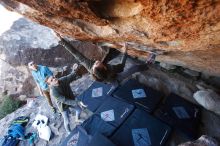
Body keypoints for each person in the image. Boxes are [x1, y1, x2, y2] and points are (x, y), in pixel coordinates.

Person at [56, 33, 152, 85]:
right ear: (104, 67)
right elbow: (122, 67)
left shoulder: (90, 66)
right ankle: (149, 64)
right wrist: (125, 51)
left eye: (94, 65)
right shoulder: (111, 71)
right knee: (134, 68)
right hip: (115, 80)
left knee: (107, 59)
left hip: (104, 75)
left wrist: (62, 41)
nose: (96, 62)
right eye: (97, 64)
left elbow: (76, 54)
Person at [45, 64, 85, 134]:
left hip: (70, 99)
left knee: (79, 110)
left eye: (53, 77)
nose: (54, 79)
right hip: (63, 106)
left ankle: (77, 118)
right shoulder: (53, 92)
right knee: (67, 120)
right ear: (50, 84)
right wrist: (77, 102)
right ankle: (68, 131)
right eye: (52, 80)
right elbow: (64, 100)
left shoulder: (62, 80)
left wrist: (75, 70)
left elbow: (71, 76)